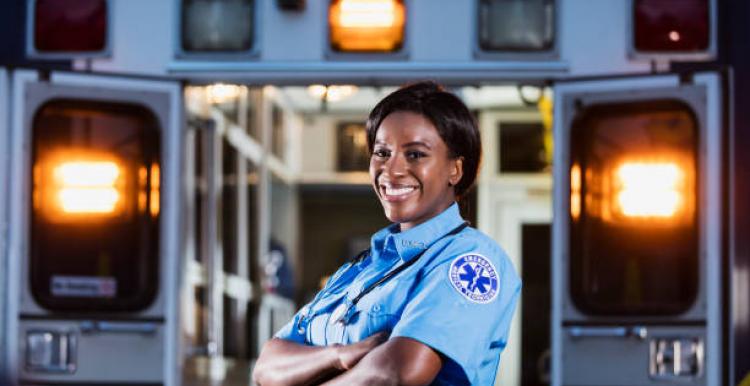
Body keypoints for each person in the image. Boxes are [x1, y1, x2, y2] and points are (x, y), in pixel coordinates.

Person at [252, 81, 521, 386]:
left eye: (416, 154)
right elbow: (267, 366)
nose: (391, 170)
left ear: (455, 170)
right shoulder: (357, 271)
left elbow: (398, 372)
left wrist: (310, 372)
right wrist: (340, 354)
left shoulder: (470, 260)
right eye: (382, 152)